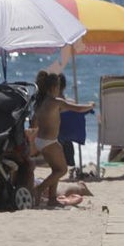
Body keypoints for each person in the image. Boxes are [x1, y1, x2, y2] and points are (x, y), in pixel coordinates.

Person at [29, 71, 94, 207]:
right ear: (53, 88)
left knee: (55, 169)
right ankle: (39, 190)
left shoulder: (40, 102)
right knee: (61, 170)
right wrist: (90, 105)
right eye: (58, 87)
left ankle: (52, 198)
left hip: (41, 141)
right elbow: (77, 108)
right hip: (49, 142)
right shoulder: (55, 102)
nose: (59, 90)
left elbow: (33, 122)